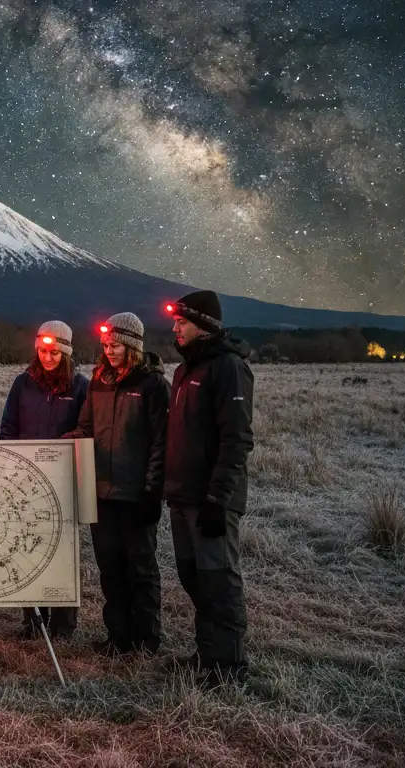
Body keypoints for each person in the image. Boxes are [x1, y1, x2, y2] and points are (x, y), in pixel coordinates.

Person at [65, 312, 169, 657]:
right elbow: (86, 427)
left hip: (135, 492)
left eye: (116, 345)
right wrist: (64, 443)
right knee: (109, 566)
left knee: (140, 565)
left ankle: (146, 639)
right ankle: (117, 636)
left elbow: (160, 441)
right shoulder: (99, 380)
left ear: (133, 346)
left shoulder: (152, 384)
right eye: (106, 345)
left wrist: (152, 490)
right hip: (102, 491)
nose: (109, 350)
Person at [165, 290, 254, 686]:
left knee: (219, 581)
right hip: (183, 496)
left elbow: (236, 439)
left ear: (202, 325)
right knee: (194, 578)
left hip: (210, 501)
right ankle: (207, 656)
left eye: (181, 322)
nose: (175, 328)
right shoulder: (184, 371)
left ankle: (228, 667)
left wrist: (219, 499)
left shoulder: (229, 368)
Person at [0, 320, 89, 639]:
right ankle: (33, 620)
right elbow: (8, 427)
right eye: (41, 351)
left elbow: (86, 431)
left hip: (63, 482)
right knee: (26, 550)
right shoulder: (22, 383)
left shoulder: (80, 386)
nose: (47, 358)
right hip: (25, 485)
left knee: (65, 553)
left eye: (53, 352)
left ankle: (64, 624)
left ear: (65, 353)